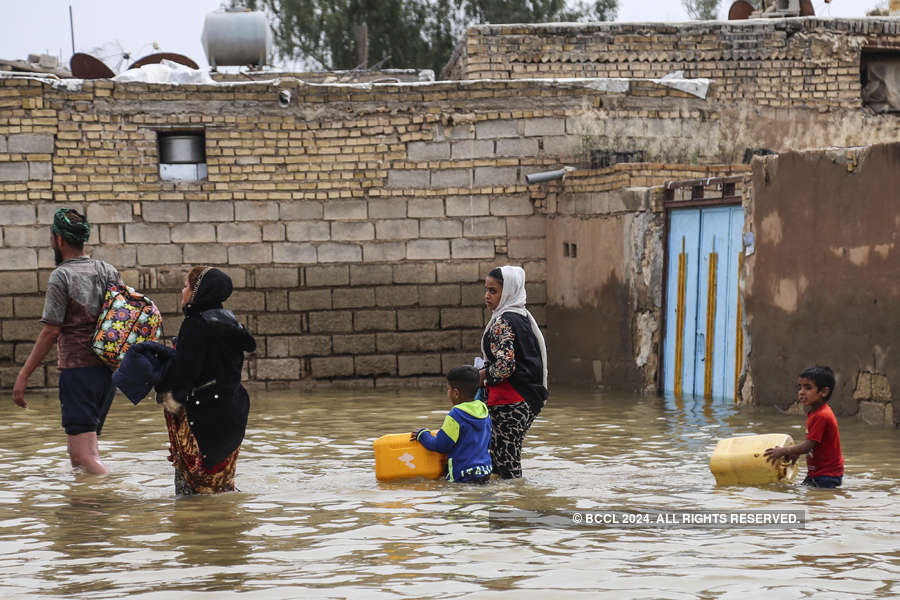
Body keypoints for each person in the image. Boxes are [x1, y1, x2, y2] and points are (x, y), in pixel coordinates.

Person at [12, 208, 122, 475]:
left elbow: (51, 331)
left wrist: (24, 375)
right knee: (82, 455)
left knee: (82, 455)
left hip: (78, 371)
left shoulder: (61, 276)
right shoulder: (108, 270)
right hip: (107, 372)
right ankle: (87, 511)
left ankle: (112, 496)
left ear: (58, 240)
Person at [156, 266, 256, 494]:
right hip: (233, 412)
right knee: (222, 486)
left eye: (186, 286)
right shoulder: (230, 320)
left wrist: (167, 398)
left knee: (192, 496)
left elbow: (186, 373)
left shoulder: (195, 324)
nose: (182, 291)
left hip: (203, 417)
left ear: (197, 292)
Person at [479, 265, 548, 479]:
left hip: (510, 400)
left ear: (508, 291)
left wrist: (480, 376)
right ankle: (510, 505)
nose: (487, 296)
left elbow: (505, 366)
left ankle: (512, 508)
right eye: (486, 290)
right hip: (526, 397)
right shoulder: (522, 317)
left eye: (493, 291)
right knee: (504, 459)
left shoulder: (503, 322)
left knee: (506, 464)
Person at [764, 365, 844, 488]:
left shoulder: (822, 415)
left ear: (824, 392)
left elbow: (807, 446)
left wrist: (783, 450)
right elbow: (813, 442)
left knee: (818, 504)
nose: (801, 392)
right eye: (800, 387)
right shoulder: (815, 412)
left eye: (808, 388)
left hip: (827, 476)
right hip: (817, 473)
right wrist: (796, 452)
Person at [411, 365, 492, 483]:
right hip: (485, 471)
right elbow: (489, 443)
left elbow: (440, 445)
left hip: (463, 476)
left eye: (448, 389)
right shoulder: (484, 410)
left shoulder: (456, 415)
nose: (447, 393)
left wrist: (423, 434)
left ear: (456, 393)